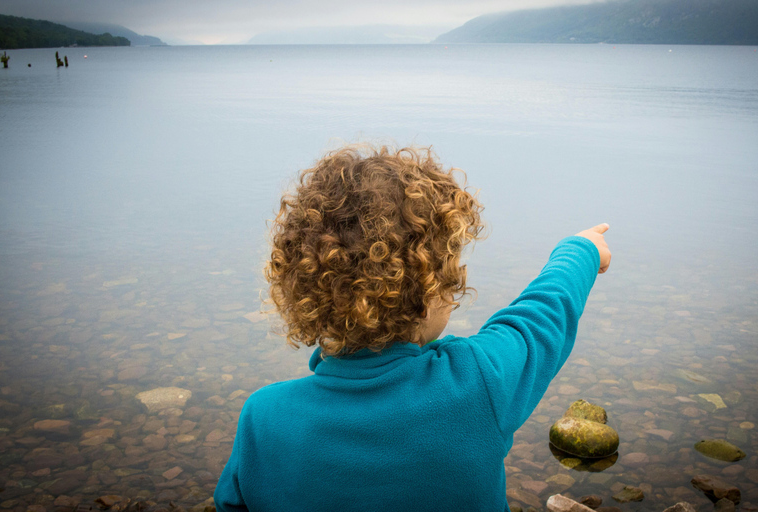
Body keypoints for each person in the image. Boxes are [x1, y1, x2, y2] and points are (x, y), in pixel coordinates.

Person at [214, 145, 611, 512]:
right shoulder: (476, 382)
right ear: (424, 290)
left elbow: (233, 503)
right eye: (450, 266)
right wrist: (581, 249)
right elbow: (542, 316)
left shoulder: (263, 417)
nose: (458, 279)